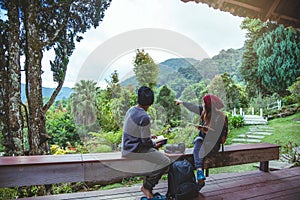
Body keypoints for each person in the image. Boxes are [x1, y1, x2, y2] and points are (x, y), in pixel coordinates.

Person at [122, 86, 171, 199]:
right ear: (150, 102)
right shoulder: (144, 116)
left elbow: (137, 133)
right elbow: (145, 142)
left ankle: (147, 187)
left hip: (127, 147)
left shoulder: (131, 110)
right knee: (165, 161)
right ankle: (147, 187)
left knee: (157, 155)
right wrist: (155, 143)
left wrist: (149, 137)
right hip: (134, 150)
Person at [175, 94, 228, 187]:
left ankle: (200, 179)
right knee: (198, 140)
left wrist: (208, 132)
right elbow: (192, 107)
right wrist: (182, 103)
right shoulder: (204, 112)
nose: (202, 104)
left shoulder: (220, 117)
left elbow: (221, 137)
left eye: (204, 103)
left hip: (213, 145)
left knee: (202, 146)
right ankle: (199, 171)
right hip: (202, 144)